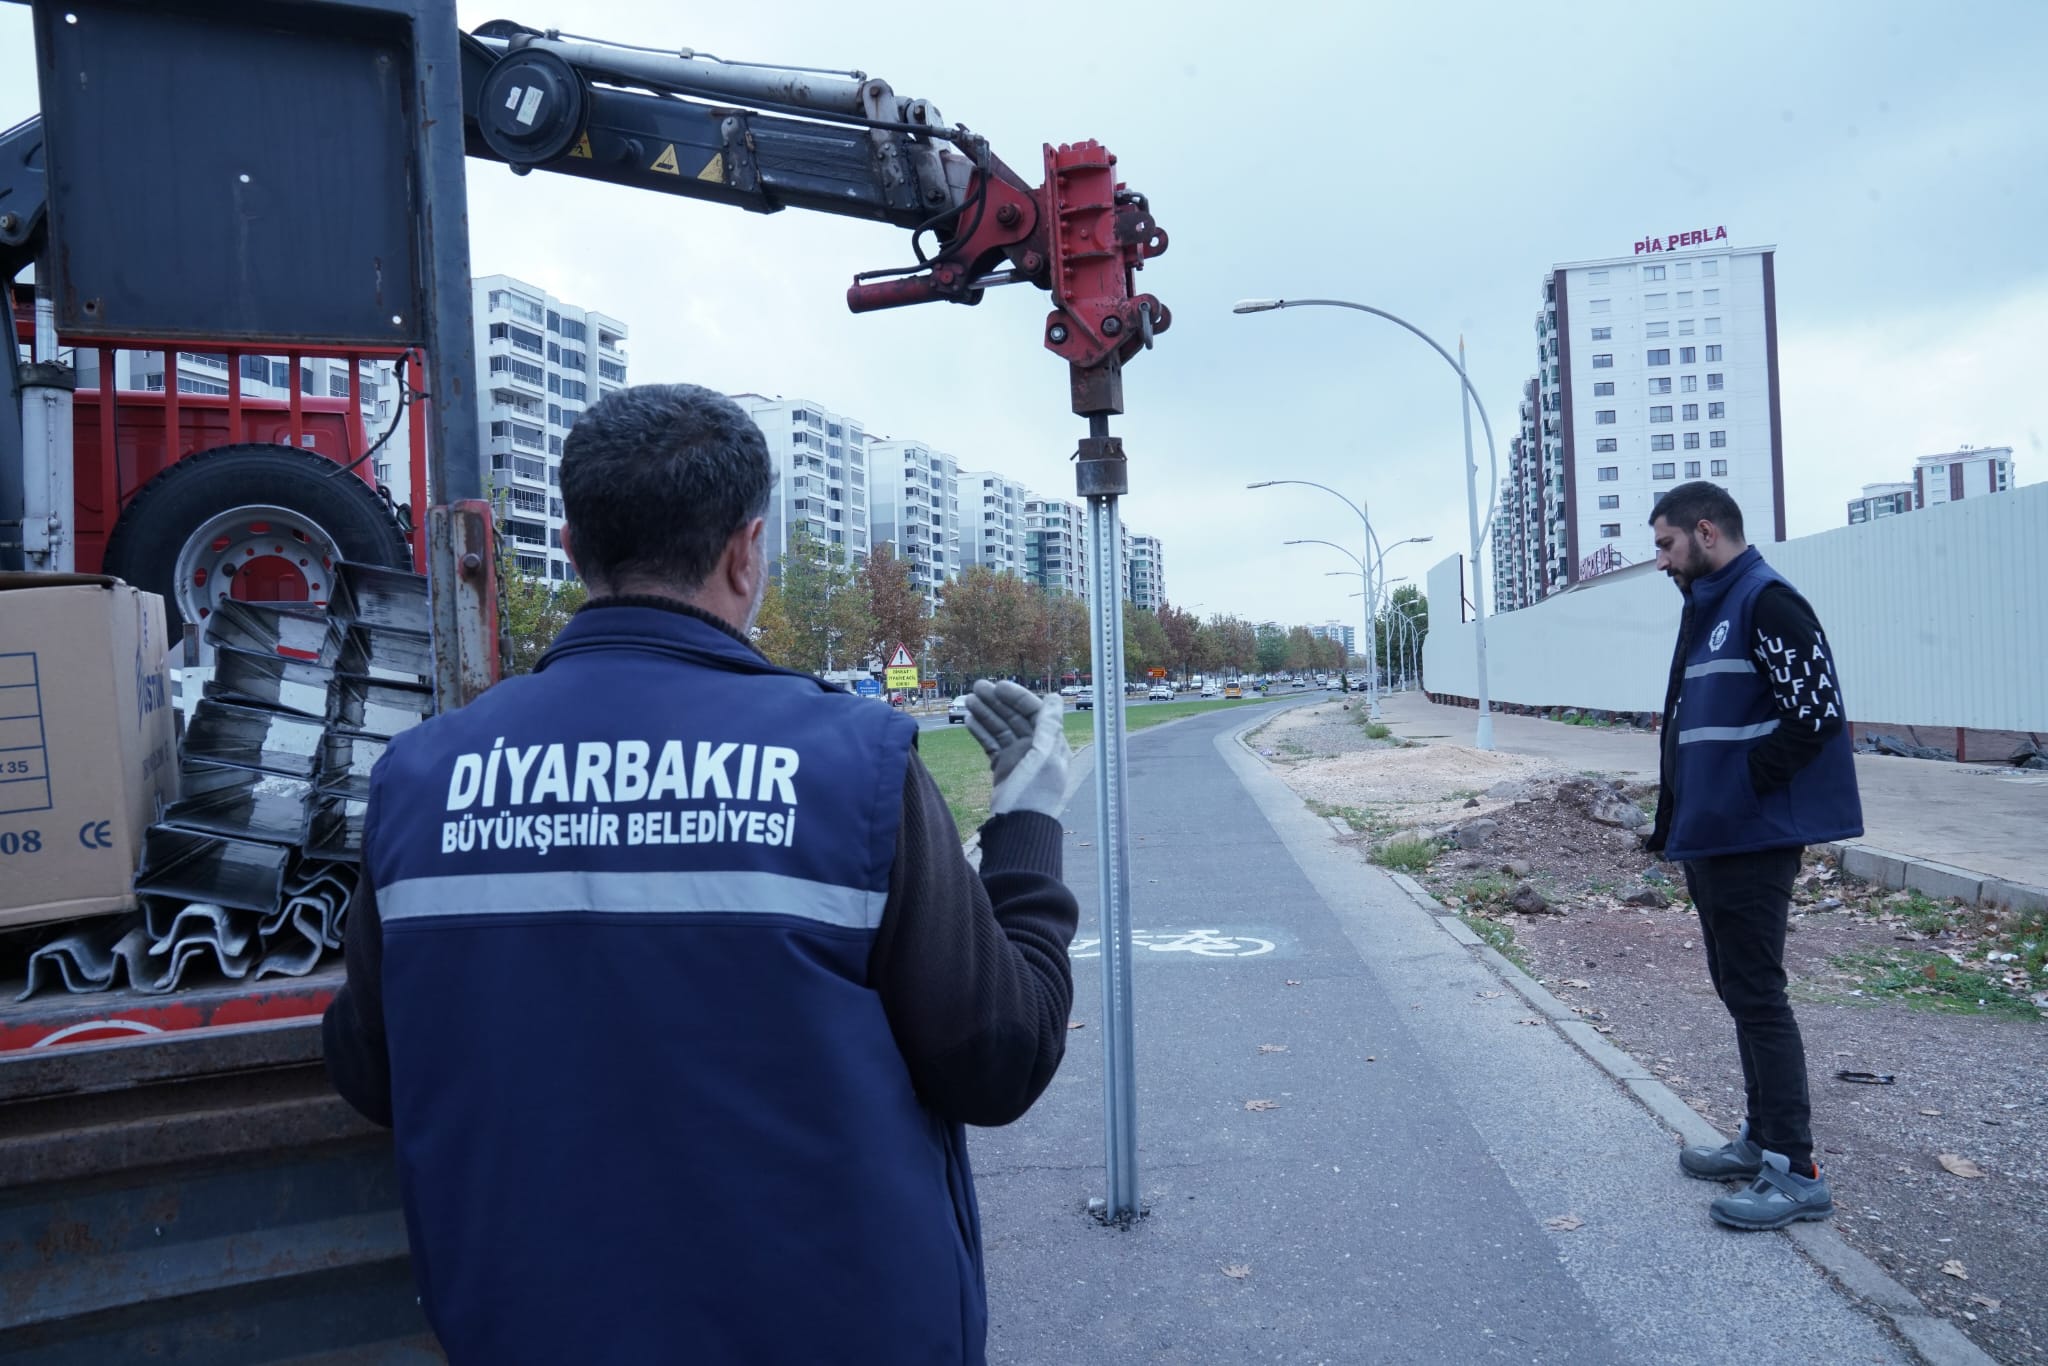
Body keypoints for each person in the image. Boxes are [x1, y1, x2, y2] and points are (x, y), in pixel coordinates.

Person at [323, 383, 1080, 1364]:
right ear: (743, 551)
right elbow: (1000, 1055)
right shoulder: (851, 766)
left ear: (570, 544)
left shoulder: (420, 779)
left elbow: (371, 1069)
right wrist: (1025, 821)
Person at [1644, 481, 1862, 1232]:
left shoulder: (1767, 600)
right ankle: (1762, 1142)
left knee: (1759, 997)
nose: (1663, 561)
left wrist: (1740, 790)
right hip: (1715, 834)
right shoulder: (1715, 603)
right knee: (1740, 990)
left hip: (1749, 837)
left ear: (1706, 532)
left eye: (1667, 544)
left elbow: (1816, 715)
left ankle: (1796, 1172)